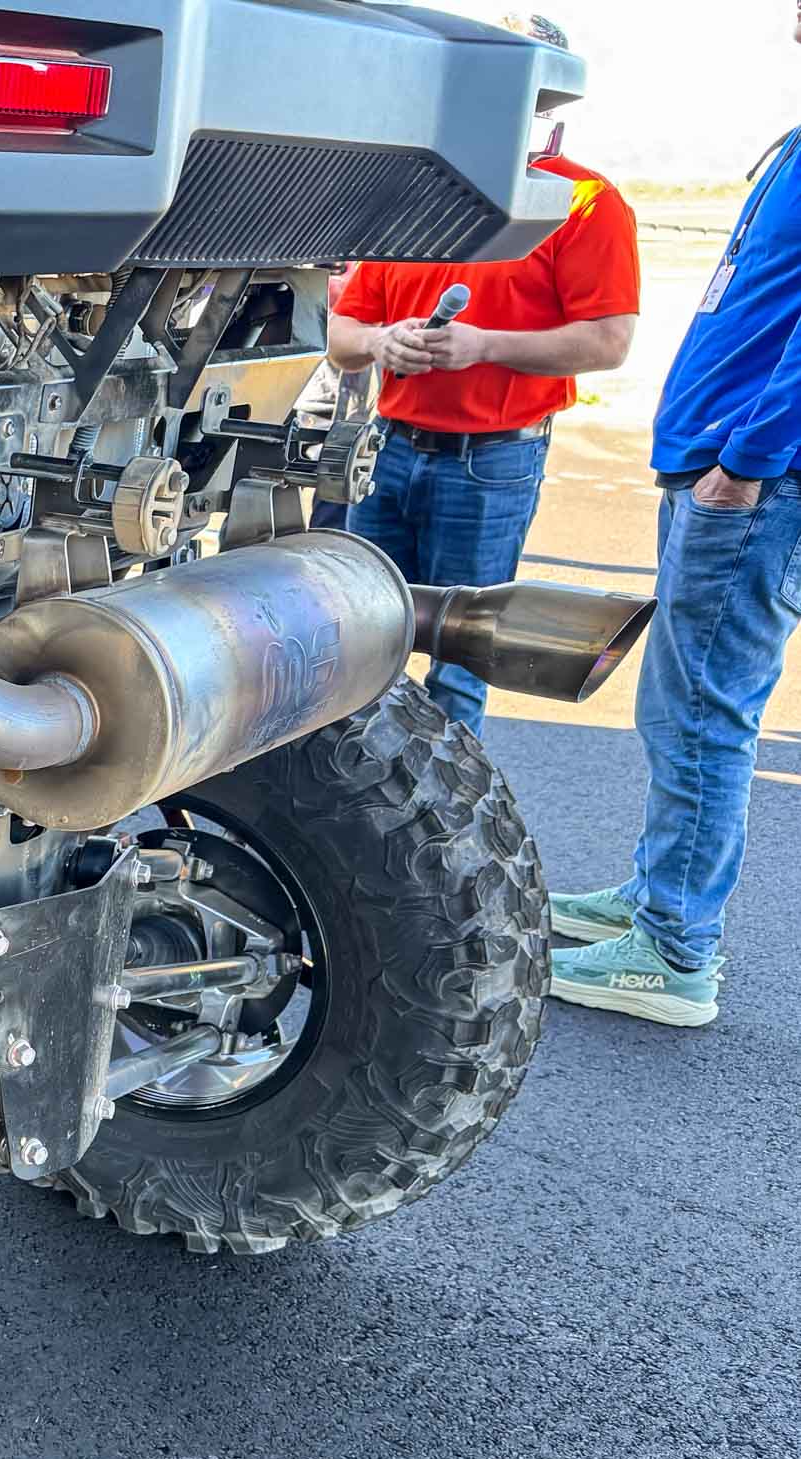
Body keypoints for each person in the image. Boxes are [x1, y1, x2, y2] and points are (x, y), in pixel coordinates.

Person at [547, 107, 801, 1028]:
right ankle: (661, 901)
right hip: (724, 468)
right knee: (679, 706)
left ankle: (672, 952)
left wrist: (749, 464)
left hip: (752, 484)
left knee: (701, 712)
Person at [326, 126, 640, 735]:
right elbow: (342, 336)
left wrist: (484, 345)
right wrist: (378, 339)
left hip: (489, 464)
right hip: (388, 450)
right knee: (358, 639)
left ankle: (441, 819)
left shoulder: (582, 200)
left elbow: (609, 341)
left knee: (459, 662)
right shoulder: (419, 193)